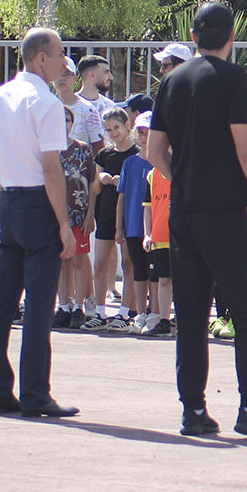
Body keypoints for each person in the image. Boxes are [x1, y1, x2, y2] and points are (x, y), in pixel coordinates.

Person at [146, 4, 247, 438]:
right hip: (229, 210)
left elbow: (154, 153)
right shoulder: (233, 79)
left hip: (184, 210)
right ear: (232, 35)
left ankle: (193, 409)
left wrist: (188, 177)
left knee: (191, 310)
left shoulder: (172, 81)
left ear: (193, 35)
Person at [0, 27, 80, 417]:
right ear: (41, 58)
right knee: (39, 304)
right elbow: (52, 170)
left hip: (9, 201)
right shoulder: (47, 103)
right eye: (58, 55)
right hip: (39, 203)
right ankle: (36, 393)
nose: (62, 63)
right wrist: (64, 226)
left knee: (1, 301)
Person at [92, 107, 138, 331]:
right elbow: (95, 187)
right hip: (106, 213)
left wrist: (125, 180)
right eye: (109, 130)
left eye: (117, 128)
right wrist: (101, 176)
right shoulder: (104, 154)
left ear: (127, 124)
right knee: (100, 263)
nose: (113, 133)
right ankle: (99, 312)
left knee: (128, 264)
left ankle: (124, 312)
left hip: (130, 215)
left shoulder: (138, 154)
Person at [58, 105, 102, 331]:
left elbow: (94, 183)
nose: (63, 124)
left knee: (78, 259)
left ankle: (79, 307)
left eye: (67, 119)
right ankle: (63, 305)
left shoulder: (83, 149)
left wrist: (90, 213)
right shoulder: (47, 150)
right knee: (61, 261)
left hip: (78, 213)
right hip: (56, 215)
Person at [117, 112, 156, 334]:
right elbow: (121, 197)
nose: (143, 137)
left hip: (157, 229)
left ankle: (156, 313)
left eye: (148, 133)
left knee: (156, 272)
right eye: (140, 133)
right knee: (138, 270)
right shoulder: (130, 163)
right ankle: (141, 312)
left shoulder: (164, 162)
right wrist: (119, 226)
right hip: (134, 226)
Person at [140, 113, 176, 338]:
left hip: (180, 236)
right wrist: (147, 234)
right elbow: (148, 207)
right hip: (160, 236)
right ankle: (164, 318)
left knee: (183, 280)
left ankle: (183, 318)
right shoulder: (152, 175)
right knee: (164, 279)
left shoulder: (179, 168)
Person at [74, 54, 116, 154]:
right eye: (106, 72)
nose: (111, 77)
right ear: (92, 75)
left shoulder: (110, 106)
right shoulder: (70, 106)